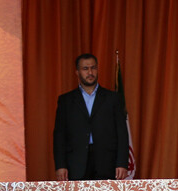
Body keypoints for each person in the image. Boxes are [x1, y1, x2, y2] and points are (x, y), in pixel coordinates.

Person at [52, 53, 130, 181]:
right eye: (85, 69)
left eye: (93, 68)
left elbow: (122, 132)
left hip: (106, 163)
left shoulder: (113, 98)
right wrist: (60, 165)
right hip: (75, 164)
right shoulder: (66, 101)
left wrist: (122, 163)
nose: (90, 72)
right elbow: (59, 135)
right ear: (77, 72)